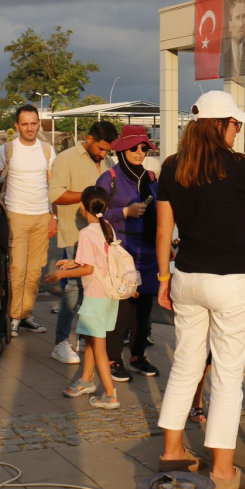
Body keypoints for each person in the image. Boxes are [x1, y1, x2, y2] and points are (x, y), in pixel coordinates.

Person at [153, 91, 245, 489]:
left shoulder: (172, 166)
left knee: (186, 362)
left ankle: (173, 450)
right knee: (227, 372)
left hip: (186, 274)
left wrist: (163, 279)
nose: (238, 130)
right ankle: (223, 471)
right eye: (236, 123)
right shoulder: (241, 167)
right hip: (232, 279)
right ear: (220, 124)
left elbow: (163, 230)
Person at [47, 185, 123, 410]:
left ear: (82, 206)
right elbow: (98, 260)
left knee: (98, 345)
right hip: (110, 296)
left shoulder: (86, 232)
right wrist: (73, 262)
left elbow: (88, 269)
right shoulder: (107, 227)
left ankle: (110, 394)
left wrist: (62, 273)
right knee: (91, 338)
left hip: (95, 296)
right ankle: (87, 380)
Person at [49, 121, 117, 364]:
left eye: (107, 150)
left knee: (96, 287)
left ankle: (86, 336)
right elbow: (55, 194)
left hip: (99, 235)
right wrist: (90, 194)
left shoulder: (107, 162)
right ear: (89, 140)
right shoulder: (66, 159)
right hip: (76, 232)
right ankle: (60, 341)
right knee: (75, 287)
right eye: (100, 148)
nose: (103, 154)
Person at [0, 104, 57, 337]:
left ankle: (26, 315)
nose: (30, 128)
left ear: (39, 124)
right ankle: (14, 316)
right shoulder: (7, 150)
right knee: (17, 269)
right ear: (16, 126)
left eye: (33, 123)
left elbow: (53, 185)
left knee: (35, 271)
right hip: (15, 215)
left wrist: (54, 216)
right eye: (25, 124)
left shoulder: (47, 150)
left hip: (41, 215)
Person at [100, 124, 160, 381]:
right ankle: (113, 358)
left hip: (147, 251)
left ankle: (137, 355)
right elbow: (96, 214)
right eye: (134, 147)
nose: (139, 151)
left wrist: (166, 244)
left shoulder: (151, 178)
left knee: (143, 308)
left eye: (144, 147)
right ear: (122, 149)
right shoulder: (110, 177)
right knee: (121, 308)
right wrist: (125, 212)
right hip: (121, 250)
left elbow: (161, 215)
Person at [219, 0, 245, 78]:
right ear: (229, 25)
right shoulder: (222, 60)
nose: (241, 24)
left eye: (244, 17)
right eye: (237, 18)